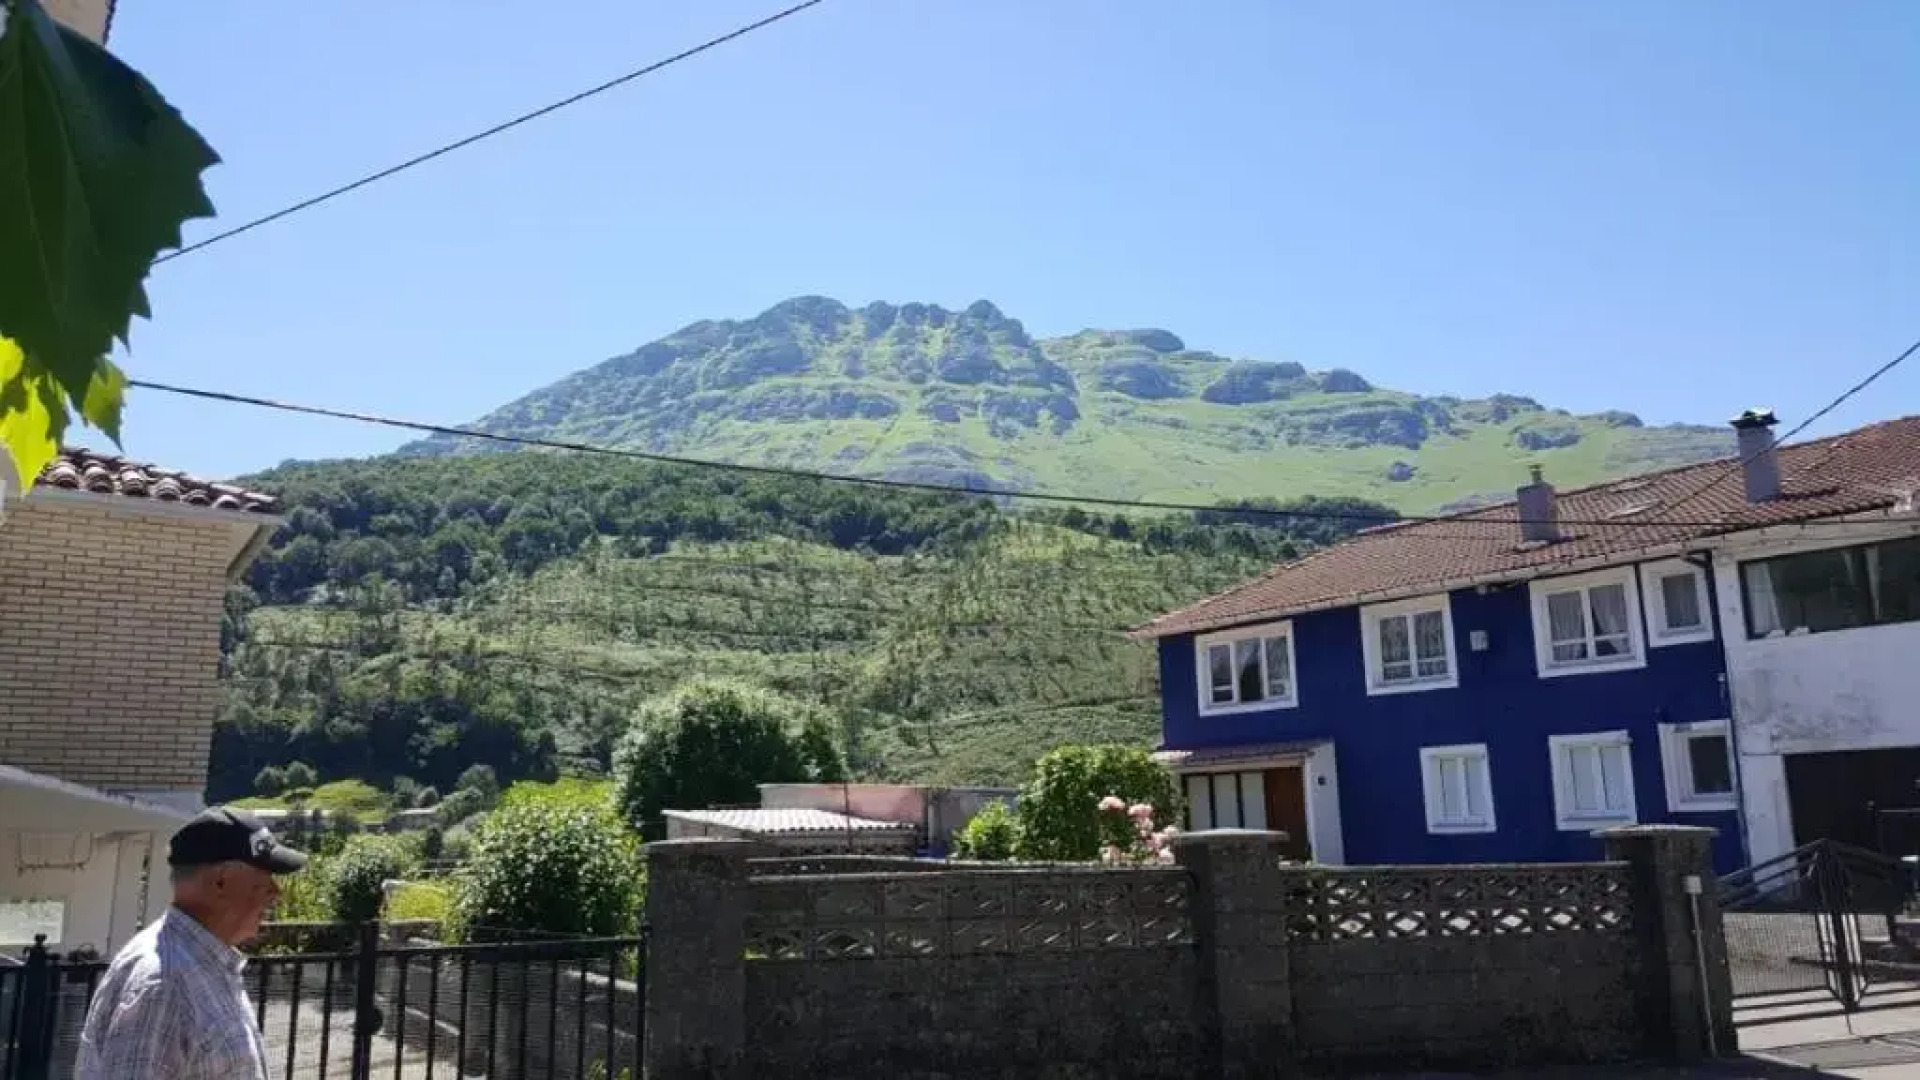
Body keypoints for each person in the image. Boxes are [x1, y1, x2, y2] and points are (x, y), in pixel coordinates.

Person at [76, 806, 308, 1080]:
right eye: (265, 877)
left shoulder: (201, 966)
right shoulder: (164, 985)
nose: (275, 892)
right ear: (220, 881)